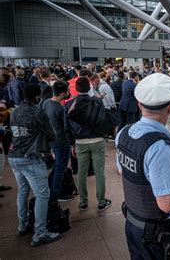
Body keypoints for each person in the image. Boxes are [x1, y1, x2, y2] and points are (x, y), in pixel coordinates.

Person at [115, 73, 170, 259]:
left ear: (140, 105)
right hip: (158, 235)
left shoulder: (124, 133)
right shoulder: (160, 149)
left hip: (133, 224)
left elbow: (121, 170)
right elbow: (166, 204)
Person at [9, 84, 63, 246]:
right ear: (37, 96)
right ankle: (40, 233)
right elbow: (51, 134)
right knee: (42, 194)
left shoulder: (15, 111)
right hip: (31, 157)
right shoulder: (37, 113)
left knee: (23, 191)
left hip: (14, 157)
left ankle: (22, 224)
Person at [65, 77, 111, 211]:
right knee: (99, 172)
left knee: (81, 172)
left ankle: (83, 202)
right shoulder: (97, 101)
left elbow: (67, 126)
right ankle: (101, 202)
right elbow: (102, 120)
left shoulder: (70, 105)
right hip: (97, 140)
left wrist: (72, 144)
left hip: (80, 142)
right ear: (89, 86)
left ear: (76, 89)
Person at [41, 81, 74, 202]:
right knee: (61, 165)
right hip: (61, 140)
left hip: (51, 139)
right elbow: (66, 126)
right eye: (67, 92)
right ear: (62, 94)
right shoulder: (59, 108)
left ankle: (52, 184)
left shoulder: (46, 103)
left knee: (58, 164)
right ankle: (57, 192)